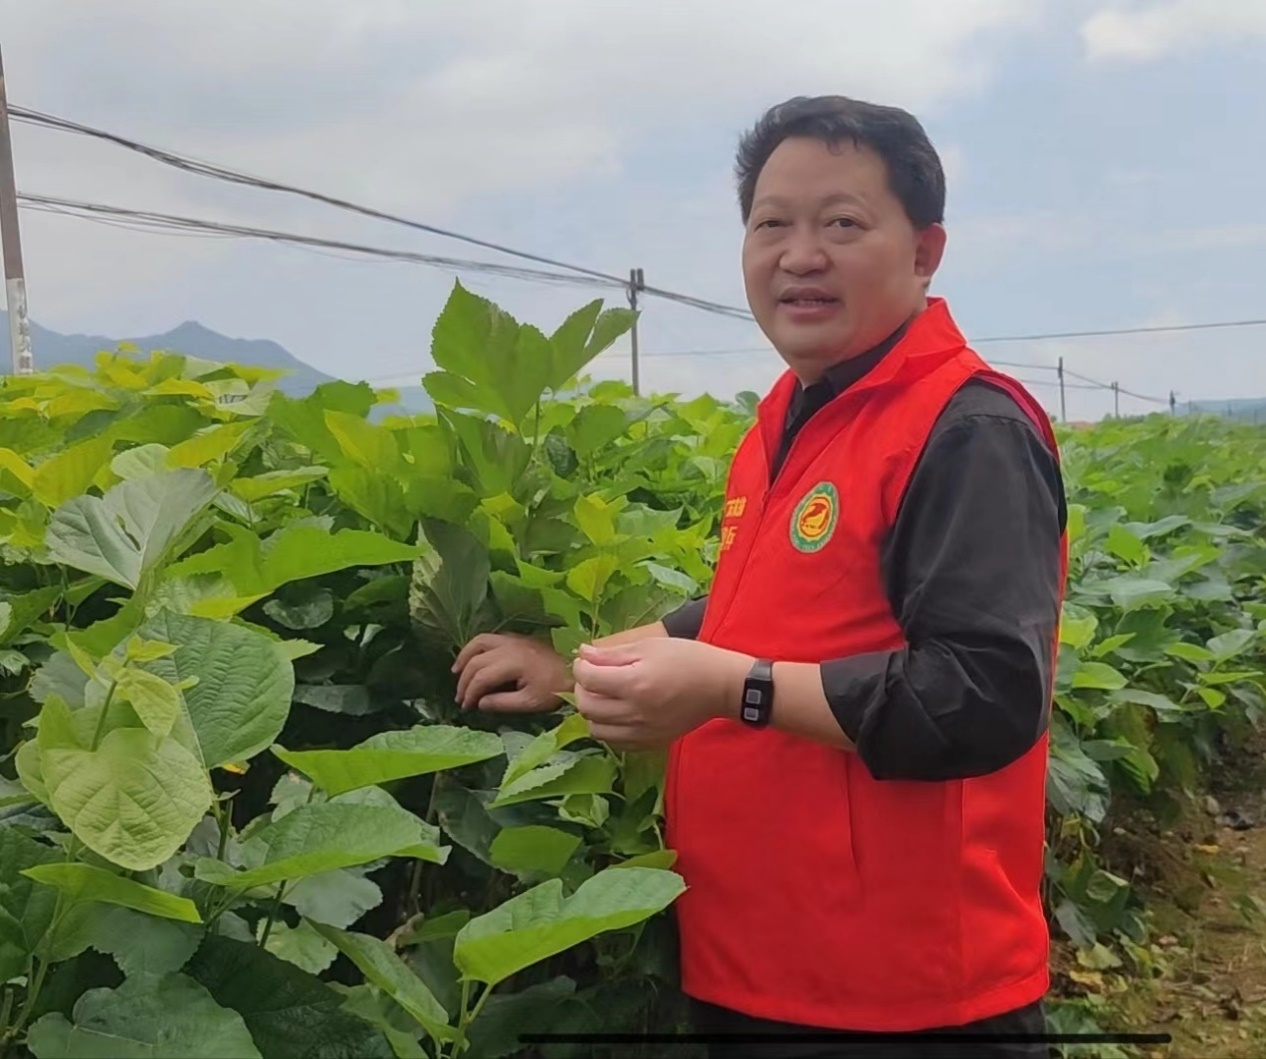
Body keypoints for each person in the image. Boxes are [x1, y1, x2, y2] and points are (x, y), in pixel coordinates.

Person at [453, 95, 1067, 1059]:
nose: (800, 253)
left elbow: (986, 692)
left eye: (842, 224)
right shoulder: (789, 417)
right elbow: (756, 614)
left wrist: (726, 689)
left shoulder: (966, 429)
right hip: (759, 962)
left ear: (926, 250)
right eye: (771, 223)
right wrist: (580, 664)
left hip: (905, 998)